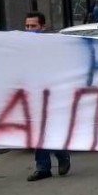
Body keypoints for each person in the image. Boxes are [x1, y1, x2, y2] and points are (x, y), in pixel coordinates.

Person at [25, 11, 71, 181]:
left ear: (42, 27)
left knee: (49, 129)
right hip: (32, 95)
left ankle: (61, 155)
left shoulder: (53, 45)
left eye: (33, 26)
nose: (30, 29)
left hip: (52, 95)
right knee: (38, 130)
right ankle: (43, 167)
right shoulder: (19, 46)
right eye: (27, 26)